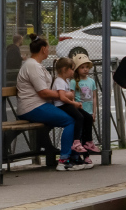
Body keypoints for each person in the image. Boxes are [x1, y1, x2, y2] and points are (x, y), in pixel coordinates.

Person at [14, 37, 86, 171]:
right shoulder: (32, 66)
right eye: (48, 47)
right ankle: (64, 159)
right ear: (43, 49)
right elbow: (43, 93)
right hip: (33, 107)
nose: (49, 50)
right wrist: (66, 95)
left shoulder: (36, 65)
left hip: (40, 106)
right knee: (70, 121)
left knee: (75, 117)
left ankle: (68, 154)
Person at [51, 56, 95, 167]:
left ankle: (88, 142)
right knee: (79, 117)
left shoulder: (65, 81)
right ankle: (76, 142)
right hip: (62, 105)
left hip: (67, 104)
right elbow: (62, 97)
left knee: (87, 117)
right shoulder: (59, 81)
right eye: (72, 69)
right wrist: (74, 103)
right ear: (64, 70)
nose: (73, 72)